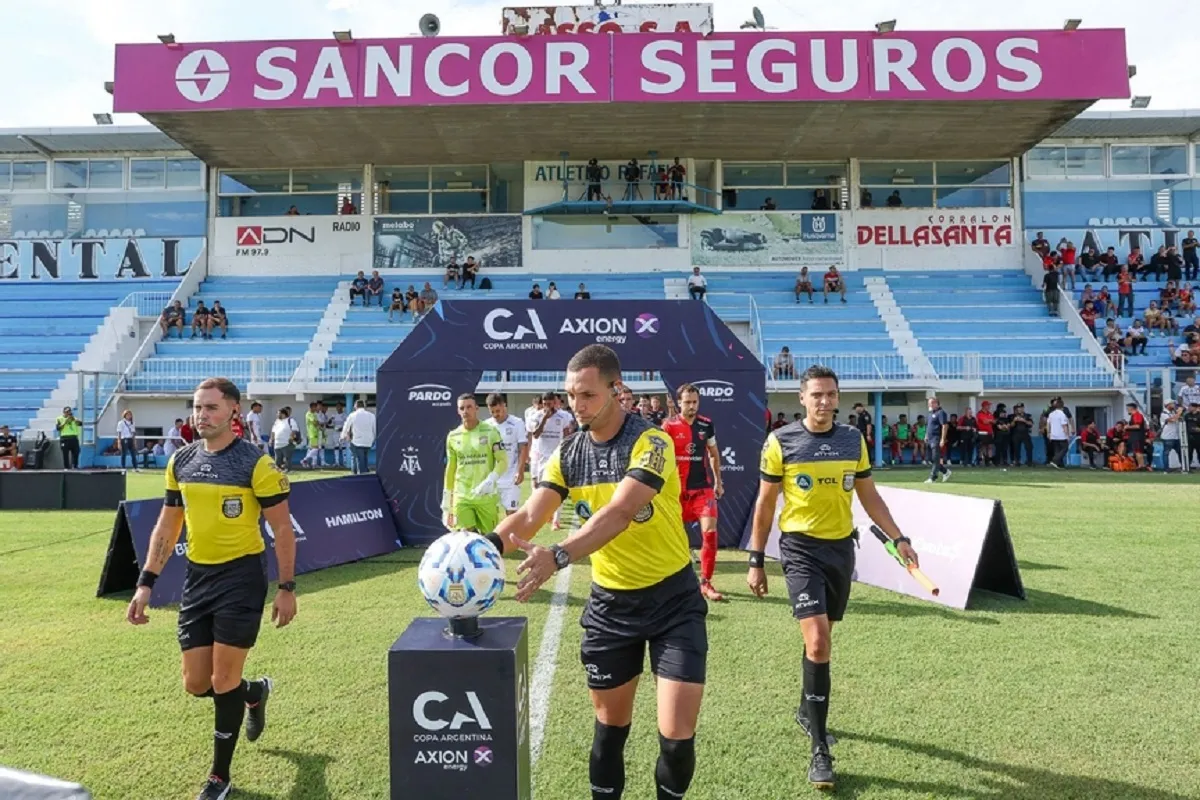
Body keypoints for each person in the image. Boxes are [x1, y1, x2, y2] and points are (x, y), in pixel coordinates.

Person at [488, 344, 707, 800]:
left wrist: (559, 555)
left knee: (676, 736)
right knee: (610, 731)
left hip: (674, 603)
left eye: (587, 394)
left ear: (615, 389)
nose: (577, 404)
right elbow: (530, 515)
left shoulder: (651, 442)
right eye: (571, 395)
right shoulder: (567, 454)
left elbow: (621, 512)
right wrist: (484, 546)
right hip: (611, 607)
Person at [744, 365, 918, 791]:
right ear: (802, 399)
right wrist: (755, 558)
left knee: (821, 641)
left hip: (841, 549)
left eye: (831, 394)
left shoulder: (852, 439)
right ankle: (820, 747)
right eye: (816, 395)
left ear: (838, 398)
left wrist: (899, 538)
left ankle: (807, 709)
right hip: (800, 550)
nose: (824, 401)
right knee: (818, 640)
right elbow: (765, 504)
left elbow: (869, 495)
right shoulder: (780, 441)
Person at [125, 377, 297, 800]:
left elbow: (282, 529)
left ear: (234, 411)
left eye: (212, 408)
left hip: (242, 579)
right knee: (196, 684)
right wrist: (146, 582)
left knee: (222, 680)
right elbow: (169, 525)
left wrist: (287, 587)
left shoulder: (255, 463)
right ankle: (254, 693)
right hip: (198, 579)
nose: (202, 415)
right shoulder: (180, 460)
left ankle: (219, 777)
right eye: (198, 408)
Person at [662, 383, 725, 602]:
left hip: (702, 490)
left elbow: (714, 454)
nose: (692, 406)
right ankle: (674, 582)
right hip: (675, 492)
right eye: (687, 402)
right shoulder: (668, 427)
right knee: (673, 539)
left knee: (709, 532)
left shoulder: (706, 425)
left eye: (695, 402)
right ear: (679, 403)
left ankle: (706, 583)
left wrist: (718, 481)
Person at [442, 394, 507, 533]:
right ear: (458, 411)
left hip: (485, 495)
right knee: (467, 535)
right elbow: (451, 467)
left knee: (489, 538)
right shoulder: (453, 436)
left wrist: (491, 479)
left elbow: (503, 460)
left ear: (477, 408)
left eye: (469, 407)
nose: (465, 411)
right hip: (462, 495)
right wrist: (447, 497)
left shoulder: (491, 432)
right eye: (462, 408)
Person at [484, 393, 529, 517]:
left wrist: (520, 471)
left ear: (504, 406)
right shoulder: (486, 426)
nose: (495, 415)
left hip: (511, 478)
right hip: (493, 478)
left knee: (511, 515)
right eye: (492, 412)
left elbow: (523, 447)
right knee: (490, 515)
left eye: (497, 411)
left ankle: (510, 537)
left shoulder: (517, 423)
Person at [924, 396, 951, 483]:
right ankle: (945, 472)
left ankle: (933, 478)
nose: (929, 404)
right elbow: (929, 426)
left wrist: (942, 439)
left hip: (936, 438)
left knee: (936, 458)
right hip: (930, 439)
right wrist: (926, 435)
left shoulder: (941, 413)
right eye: (929, 402)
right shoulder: (930, 413)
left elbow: (944, 426)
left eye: (931, 402)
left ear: (936, 403)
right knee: (932, 459)